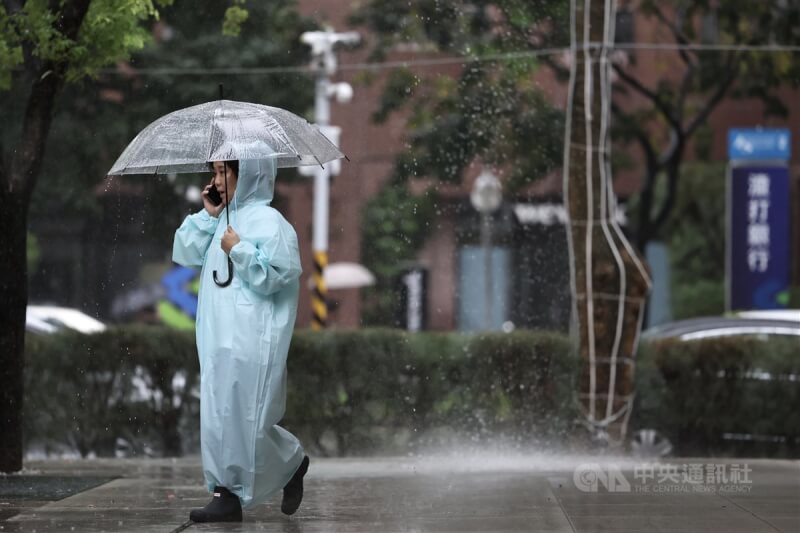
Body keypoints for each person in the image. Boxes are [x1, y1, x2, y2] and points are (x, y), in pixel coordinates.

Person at [172, 158, 309, 523]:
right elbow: (184, 251)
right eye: (214, 172)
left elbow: (279, 274)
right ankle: (224, 492)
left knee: (247, 417)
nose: (216, 179)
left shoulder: (270, 222)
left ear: (248, 173)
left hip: (253, 335)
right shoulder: (220, 221)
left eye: (223, 172)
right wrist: (209, 215)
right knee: (218, 413)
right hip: (217, 335)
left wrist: (240, 249)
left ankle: (289, 461)